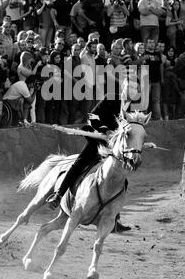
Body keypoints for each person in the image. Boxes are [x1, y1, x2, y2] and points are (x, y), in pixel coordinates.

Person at [46, 96, 132, 232]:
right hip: (97, 142)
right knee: (78, 165)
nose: (133, 91)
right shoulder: (111, 98)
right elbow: (93, 116)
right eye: (130, 87)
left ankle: (115, 219)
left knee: (121, 179)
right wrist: (106, 130)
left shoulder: (130, 106)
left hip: (113, 148)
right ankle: (58, 195)